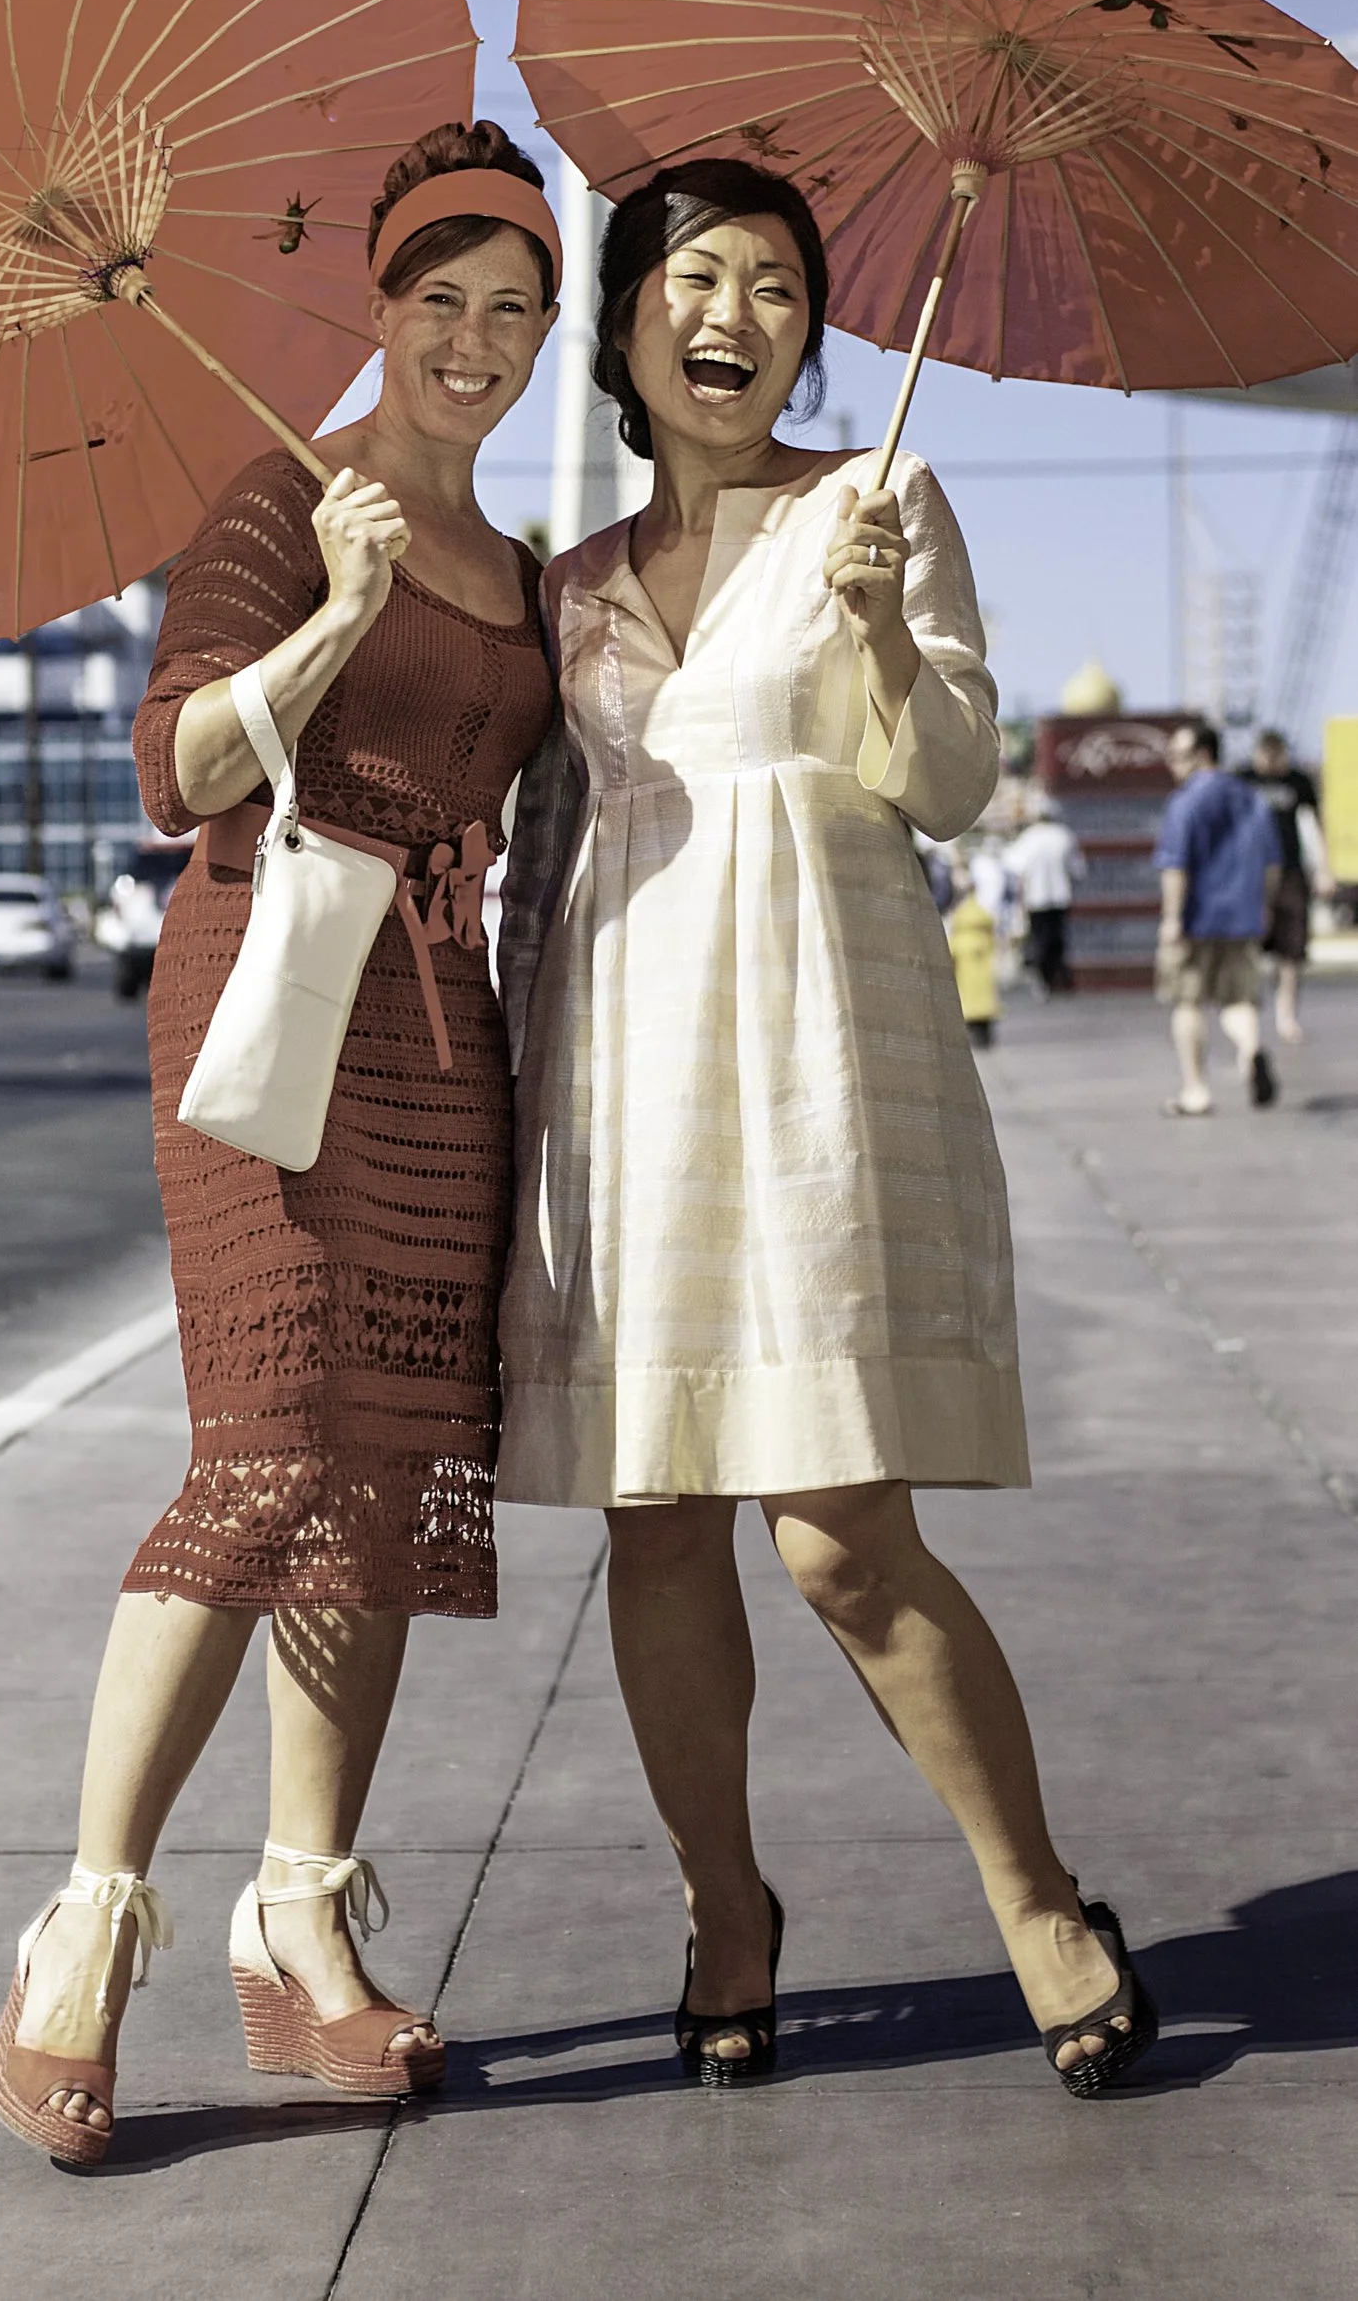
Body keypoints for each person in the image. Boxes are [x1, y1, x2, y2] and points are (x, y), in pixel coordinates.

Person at [497, 159, 1157, 2099]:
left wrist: (878, 629)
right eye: (693, 275)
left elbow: (951, 781)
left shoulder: (884, 505)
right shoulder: (570, 582)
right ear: (625, 323)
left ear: (815, 325)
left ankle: (1035, 1891)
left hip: (819, 1057)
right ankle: (726, 1901)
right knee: (659, 1515)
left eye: (775, 281)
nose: (734, 309)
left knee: (841, 1529)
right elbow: (536, 855)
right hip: (622, 1076)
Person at [0, 121, 560, 2164]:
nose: (476, 343)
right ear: (382, 309)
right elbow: (175, 767)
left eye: (515, 311)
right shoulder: (275, 497)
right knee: (263, 1451)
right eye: (442, 304)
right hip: (263, 1001)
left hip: (435, 1029)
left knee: (391, 1469)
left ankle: (301, 1915)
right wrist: (329, 615)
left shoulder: (528, 562)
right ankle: (89, 1922)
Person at [1155, 720, 1281, 1117]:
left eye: (1177, 756)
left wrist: (1172, 918)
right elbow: (1273, 864)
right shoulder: (1251, 799)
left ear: (1202, 754)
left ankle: (1196, 1091)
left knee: (1188, 1003)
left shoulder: (1186, 801)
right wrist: (1265, 906)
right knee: (1237, 1001)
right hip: (1243, 916)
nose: (1171, 764)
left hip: (1196, 918)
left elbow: (1176, 866)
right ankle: (1251, 1049)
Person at [1242, 728, 1328, 1044]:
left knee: (1291, 949)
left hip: (1290, 872)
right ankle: (1248, 1012)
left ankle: (1286, 1014)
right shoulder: (1243, 779)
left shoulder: (1297, 781)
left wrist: (1324, 869)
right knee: (1250, 946)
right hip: (1252, 873)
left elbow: (1318, 825)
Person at [1003, 790, 1087, 997]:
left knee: (1039, 940)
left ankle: (1044, 981)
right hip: (1060, 896)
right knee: (1058, 938)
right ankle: (1059, 979)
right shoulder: (1064, 836)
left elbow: (1013, 866)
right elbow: (1078, 869)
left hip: (1037, 898)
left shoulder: (1029, 838)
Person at [947, 871, 1000, 1047]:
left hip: (967, 985)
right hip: (984, 984)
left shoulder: (959, 926)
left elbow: (951, 953)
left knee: (969, 1009)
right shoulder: (983, 922)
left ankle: (976, 1039)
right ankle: (987, 1038)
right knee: (985, 1006)